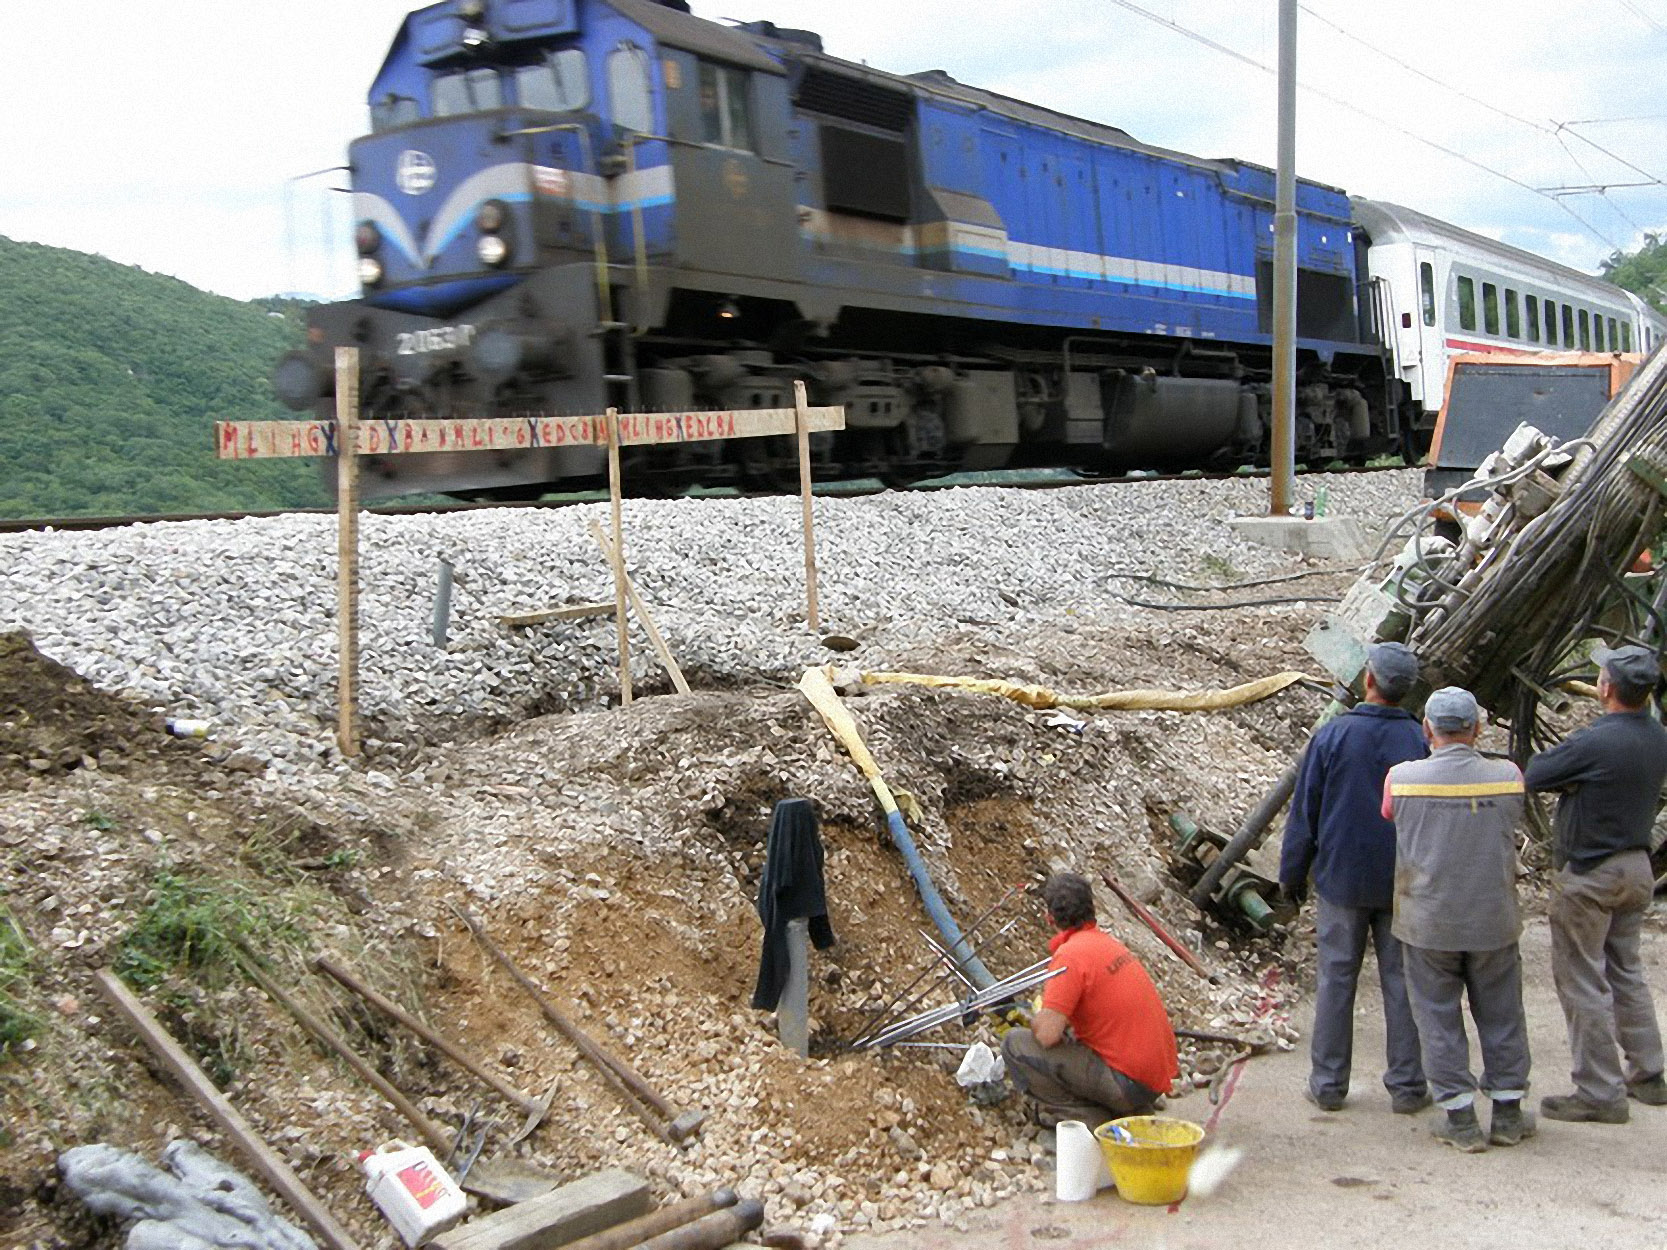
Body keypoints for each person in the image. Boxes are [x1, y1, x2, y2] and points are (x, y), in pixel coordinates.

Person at [1280, 641, 1430, 1114]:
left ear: (1369, 680)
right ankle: (1407, 1088)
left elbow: (1306, 812)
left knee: (1336, 979)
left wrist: (1293, 875)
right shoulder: (1419, 742)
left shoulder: (1333, 735)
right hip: (1401, 881)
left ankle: (1327, 1085)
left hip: (1341, 878)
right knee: (1402, 981)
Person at [1524, 643, 1667, 1124]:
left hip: (1590, 874)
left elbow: (1536, 774)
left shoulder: (1596, 740)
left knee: (1582, 979)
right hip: (1637, 869)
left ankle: (1599, 1091)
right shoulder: (1658, 738)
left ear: (1605, 687)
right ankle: (1648, 1073)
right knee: (1626, 969)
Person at [1384, 686, 1531, 1152]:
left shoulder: (1401, 778)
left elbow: (1389, 814)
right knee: (1503, 1014)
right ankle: (1507, 1114)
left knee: (1437, 1016)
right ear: (1477, 729)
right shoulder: (1508, 776)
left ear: (1427, 729)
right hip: (1493, 919)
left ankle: (1460, 1118)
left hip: (1428, 922)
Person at [1001, 872, 1179, 1129]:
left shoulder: (1070, 956)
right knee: (1073, 1037)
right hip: (1152, 1079)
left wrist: (1038, 1017)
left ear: (1050, 917)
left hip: (1126, 1084)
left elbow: (1047, 1036)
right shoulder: (1108, 945)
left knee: (1015, 1044)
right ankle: (1130, 1108)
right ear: (1091, 910)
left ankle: (1088, 1119)